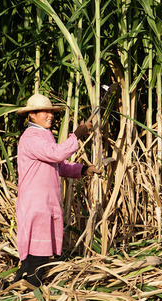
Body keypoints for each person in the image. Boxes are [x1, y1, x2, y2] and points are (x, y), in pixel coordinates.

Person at [14, 93, 100, 287]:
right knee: (37, 255)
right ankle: (31, 294)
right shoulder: (31, 137)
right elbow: (57, 154)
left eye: (51, 112)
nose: (50, 115)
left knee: (38, 255)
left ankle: (20, 287)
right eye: (44, 112)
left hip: (46, 200)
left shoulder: (45, 135)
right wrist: (76, 135)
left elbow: (60, 166)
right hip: (36, 201)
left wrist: (84, 170)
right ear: (32, 115)